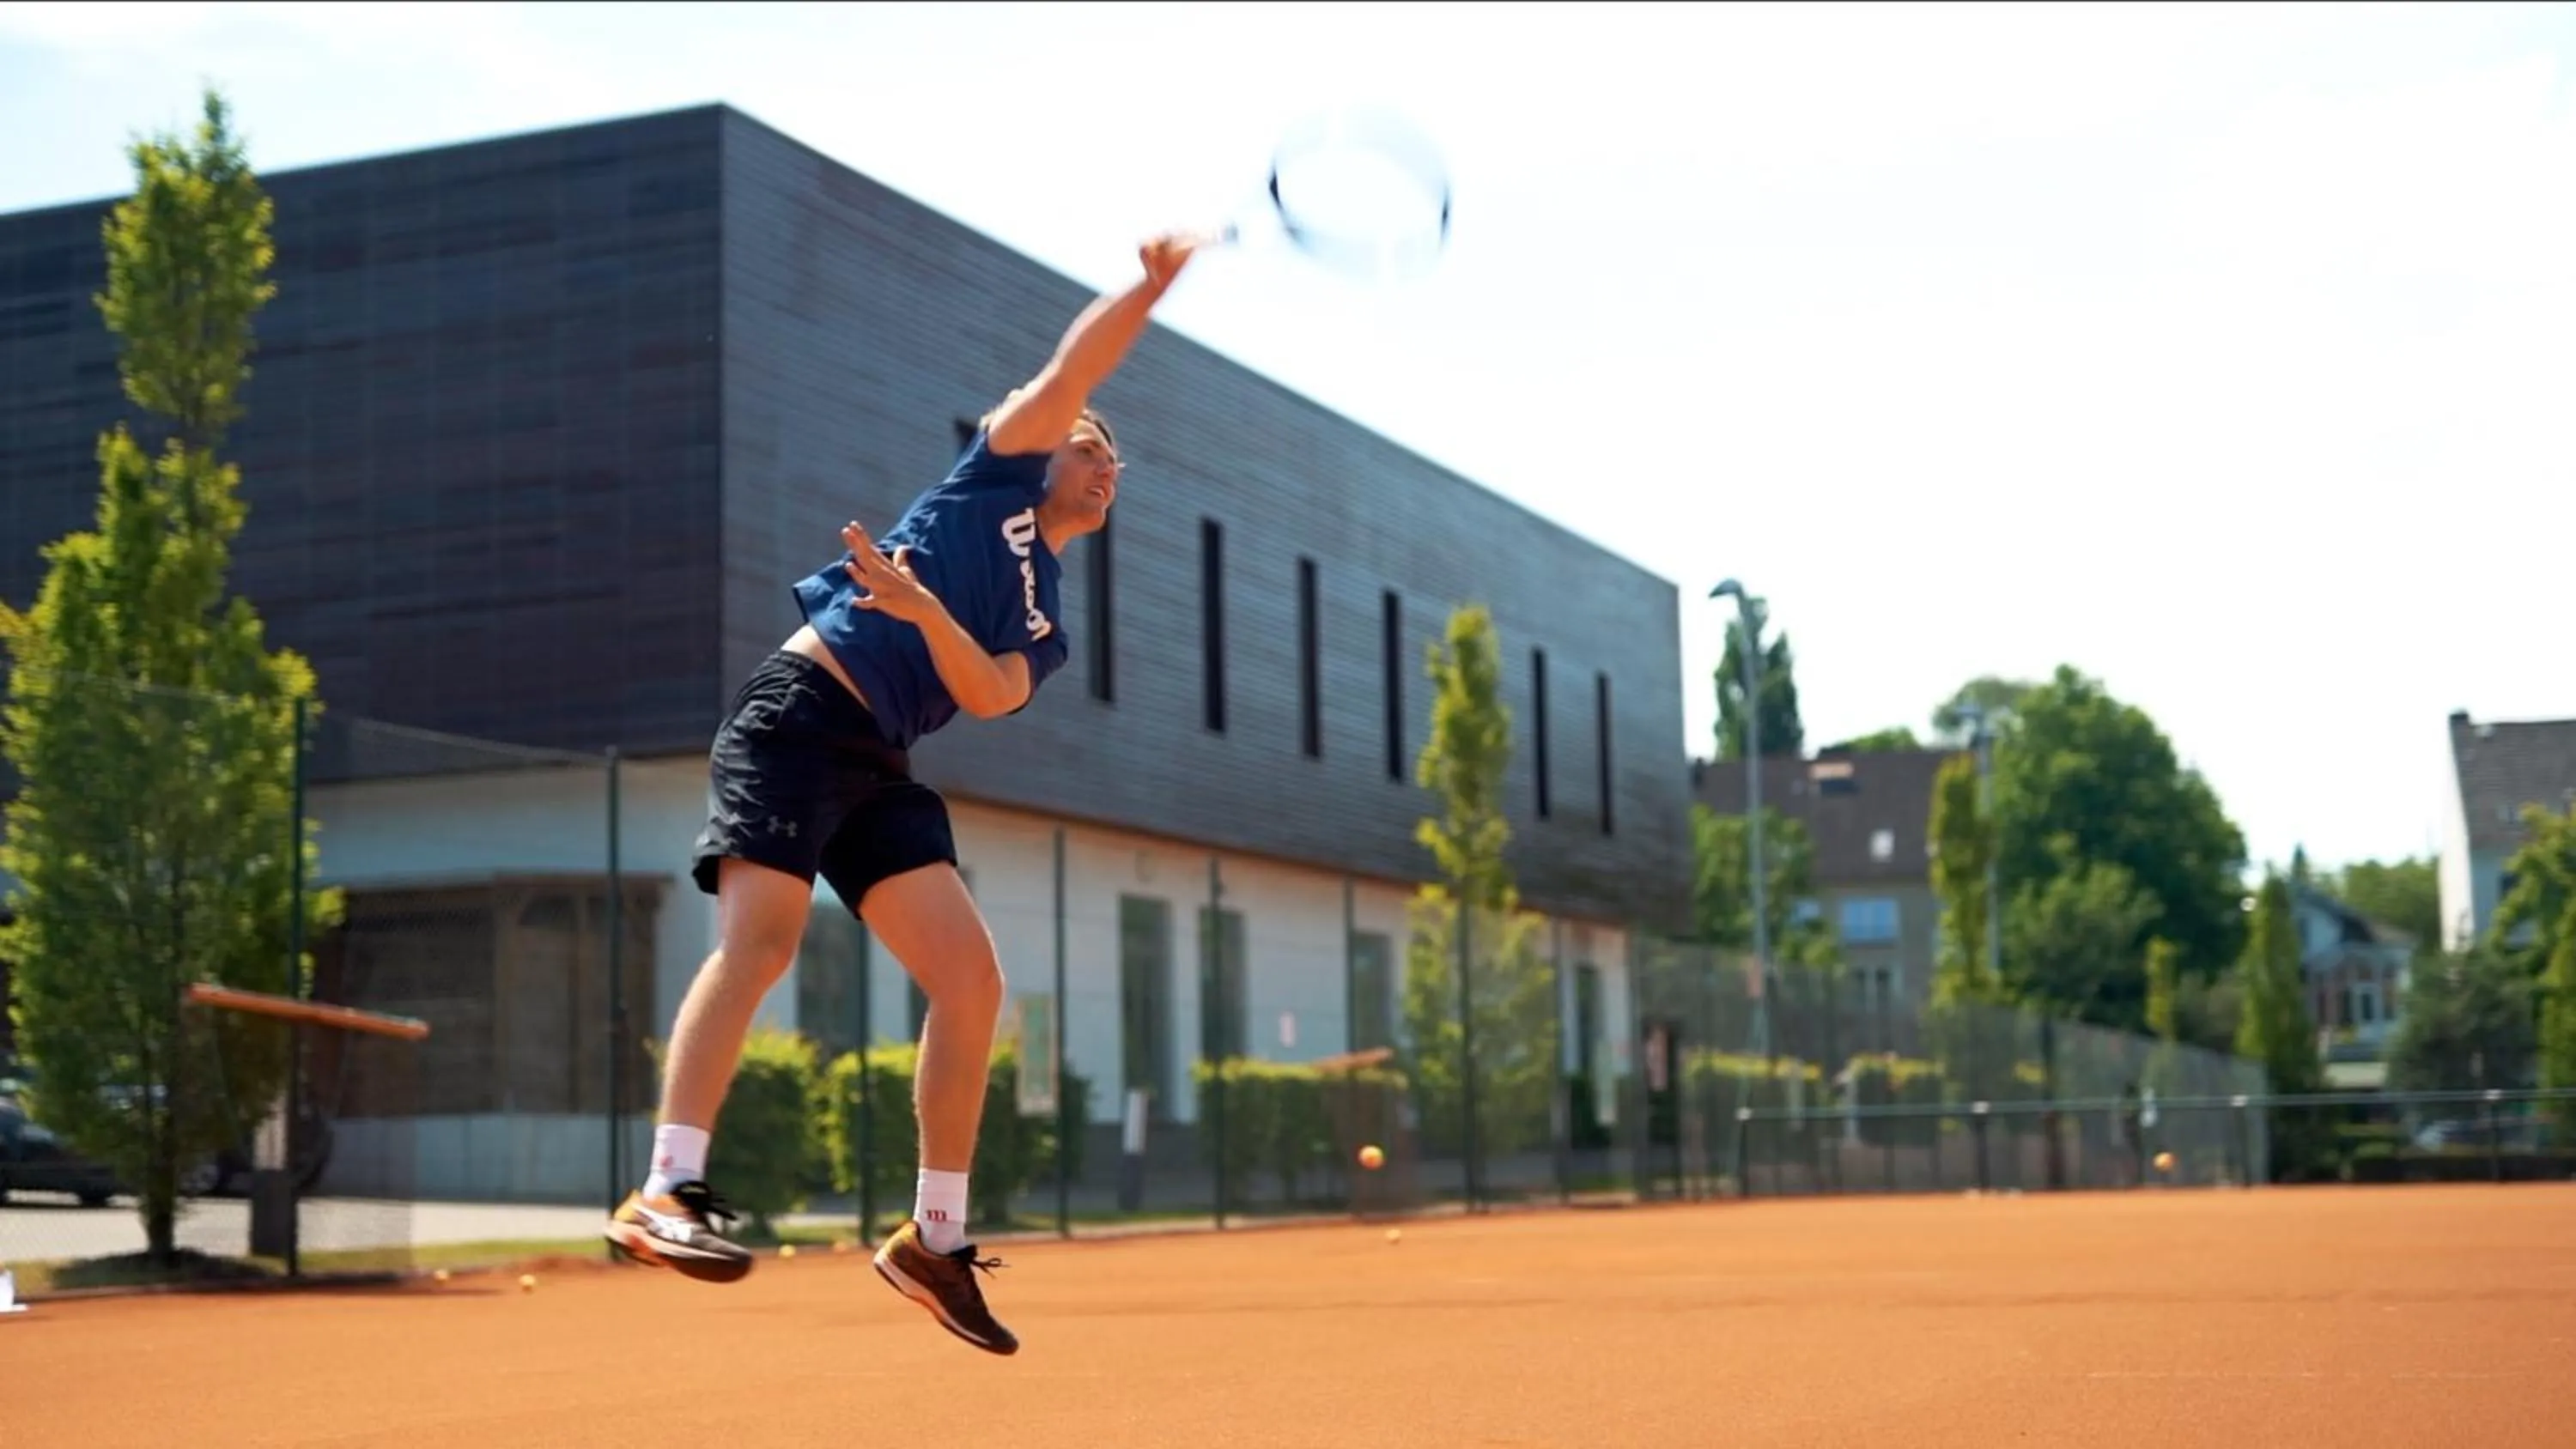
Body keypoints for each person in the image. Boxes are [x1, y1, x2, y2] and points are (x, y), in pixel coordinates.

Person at [604, 232, 1203, 1356]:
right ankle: (665, 1190)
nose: (1104, 462)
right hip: (798, 716)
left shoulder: (1045, 616)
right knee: (764, 944)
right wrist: (1150, 290)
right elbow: (1075, 371)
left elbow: (985, 694)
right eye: (1089, 447)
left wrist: (927, 614)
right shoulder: (994, 480)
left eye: (1117, 460)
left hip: (880, 758)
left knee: (971, 980)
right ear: (1038, 451)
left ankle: (934, 1239)